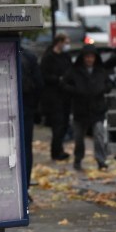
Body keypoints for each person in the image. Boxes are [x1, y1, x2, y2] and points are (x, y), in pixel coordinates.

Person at [61, 44, 112, 171]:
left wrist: (104, 89)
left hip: (97, 108)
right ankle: (78, 159)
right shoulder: (74, 71)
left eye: (91, 57)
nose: (89, 59)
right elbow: (64, 84)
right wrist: (76, 90)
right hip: (80, 109)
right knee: (79, 138)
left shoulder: (100, 71)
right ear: (83, 58)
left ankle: (101, 160)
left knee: (99, 135)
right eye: (87, 57)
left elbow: (108, 84)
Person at [40, 32, 73, 161]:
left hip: (65, 95)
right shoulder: (49, 57)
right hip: (54, 97)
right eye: (66, 42)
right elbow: (44, 75)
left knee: (64, 123)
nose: (67, 45)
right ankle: (56, 151)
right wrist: (58, 79)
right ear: (59, 42)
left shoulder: (65, 56)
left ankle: (60, 149)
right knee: (58, 125)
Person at [20, 46, 43, 200]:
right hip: (26, 108)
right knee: (26, 148)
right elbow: (39, 84)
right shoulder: (28, 56)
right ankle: (25, 187)